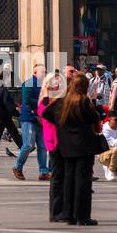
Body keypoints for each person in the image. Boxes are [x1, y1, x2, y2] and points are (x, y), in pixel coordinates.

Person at [41, 73, 101, 226]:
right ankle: (82, 216)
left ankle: (68, 214)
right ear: (85, 87)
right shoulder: (85, 102)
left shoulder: (61, 102)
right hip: (84, 146)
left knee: (68, 181)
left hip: (66, 147)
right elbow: (96, 123)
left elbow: (45, 113)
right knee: (83, 182)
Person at [12, 63, 50, 181]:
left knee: (43, 146)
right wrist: (38, 109)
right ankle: (17, 166)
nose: (45, 74)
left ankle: (43, 171)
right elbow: (27, 100)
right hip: (29, 117)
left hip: (40, 117)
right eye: (43, 72)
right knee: (28, 144)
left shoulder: (44, 84)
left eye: (45, 72)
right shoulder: (29, 83)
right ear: (35, 73)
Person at [38, 71, 66, 221]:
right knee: (57, 177)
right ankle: (55, 212)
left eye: (60, 82)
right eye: (55, 83)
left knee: (63, 177)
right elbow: (44, 113)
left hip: (64, 140)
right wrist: (47, 93)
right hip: (53, 141)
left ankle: (63, 210)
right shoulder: (45, 101)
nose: (59, 85)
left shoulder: (60, 99)